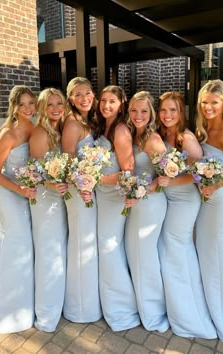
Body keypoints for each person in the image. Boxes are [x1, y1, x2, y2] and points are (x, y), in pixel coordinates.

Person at [157, 91, 217, 339]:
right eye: (163, 110)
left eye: (173, 110)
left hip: (185, 200)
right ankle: (176, 307)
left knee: (177, 248)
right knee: (171, 250)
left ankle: (191, 315)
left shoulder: (185, 138)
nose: (168, 115)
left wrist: (170, 182)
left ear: (181, 112)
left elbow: (202, 172)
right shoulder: (162, 135)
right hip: (170, 199)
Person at [0, 85, 37, 333]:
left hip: (27, 193)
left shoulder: (35, 126)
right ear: (14, 107)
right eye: (23, 104)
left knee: (25, 243)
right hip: (9, 193)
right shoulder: (8, 134)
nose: (28, 108)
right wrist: (20, 191)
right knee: (15, 241)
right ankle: (5, 304)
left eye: (31, 103)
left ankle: (24, 298)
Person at [95, 85, 140, 331]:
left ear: (121, 104)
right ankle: (110, 302)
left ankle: (123, 308)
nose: (106, 106)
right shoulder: (104, 127)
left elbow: (128, 172)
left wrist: (95, 178)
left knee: (109, 247)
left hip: (113, 197)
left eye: (112, 101)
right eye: (103, 101)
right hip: (102, 196)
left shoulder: (121, 130)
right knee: (107, 247)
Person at [124, 91, 169, 332]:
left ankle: (154, 312)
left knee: (145, 257)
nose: (138, 115)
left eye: (143, 111)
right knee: (136, 255)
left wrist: (141, 192)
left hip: (150, 203)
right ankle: (142, 307)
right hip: (136, 204)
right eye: (134, 110)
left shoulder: (153, 139)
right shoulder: (131, 134)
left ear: (150, 113)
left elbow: (165, 175)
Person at [61, 77, 102, 323]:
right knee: (80, 243)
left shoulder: (89, 120)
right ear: (71, 99)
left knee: (87, 243)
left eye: (87, 92)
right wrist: (83, 185)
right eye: (78, 94)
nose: (84, 97)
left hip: (88, 189)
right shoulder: (72, 124)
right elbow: (67, 163)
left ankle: (89, 301)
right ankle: (79, 308)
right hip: (79, 193)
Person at [29, 87, 68, 332]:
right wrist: (53, 182)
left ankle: (58, 301)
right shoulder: (41, 133)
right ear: (42, 109)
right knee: (49, 253)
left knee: (58, 250)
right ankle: (46, 313)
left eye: (59, 104)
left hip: (59, 198)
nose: (55, 109)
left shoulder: (59, 130)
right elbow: (36, 171)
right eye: (49, 105)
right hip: (46, 200)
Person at [195, 79, 223, 341]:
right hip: (202, 199)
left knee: (213, 251)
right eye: (205, 102)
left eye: (214, 102)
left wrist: (216, 184)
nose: (208, 107)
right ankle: (204, 303)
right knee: (203, 250)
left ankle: (219, 310)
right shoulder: (201, 130)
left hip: (219, 199)